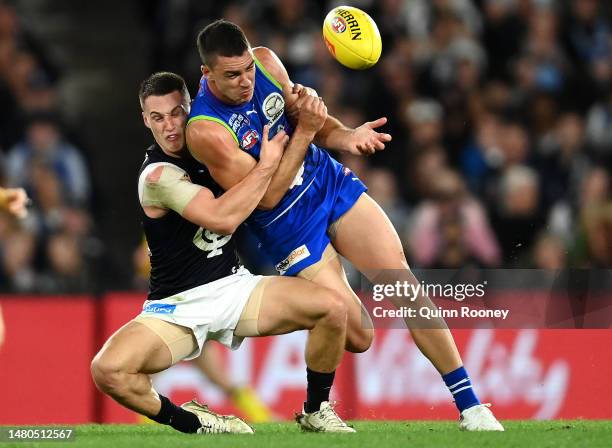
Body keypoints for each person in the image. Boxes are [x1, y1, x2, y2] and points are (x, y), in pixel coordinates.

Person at [186, 20, 503, 431]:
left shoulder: (265, 63)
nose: (246, 81)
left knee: (402, 284)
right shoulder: (206, 130)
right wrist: (307, 133)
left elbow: (310, 118)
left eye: (246, 68)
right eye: (232, 75)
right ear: (206, 74)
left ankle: (471, 406)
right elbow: (266, 196)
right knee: (359, 334)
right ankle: (304, 312)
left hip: (326, 183)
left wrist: (346, 134)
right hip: (285, 224)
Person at [91, 72, 354, 435]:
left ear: (190, 107)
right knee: (108, 371)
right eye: (157, 118)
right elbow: (223, 219)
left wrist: (303, 104)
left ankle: (316, 410)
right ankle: (195, 423)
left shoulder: (215, 141)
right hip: (177, 307)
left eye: (176, 112)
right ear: (145, 120)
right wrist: (265, 165)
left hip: (233, 288)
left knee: (333, 308)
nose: (169, 126)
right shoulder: (157, 177)